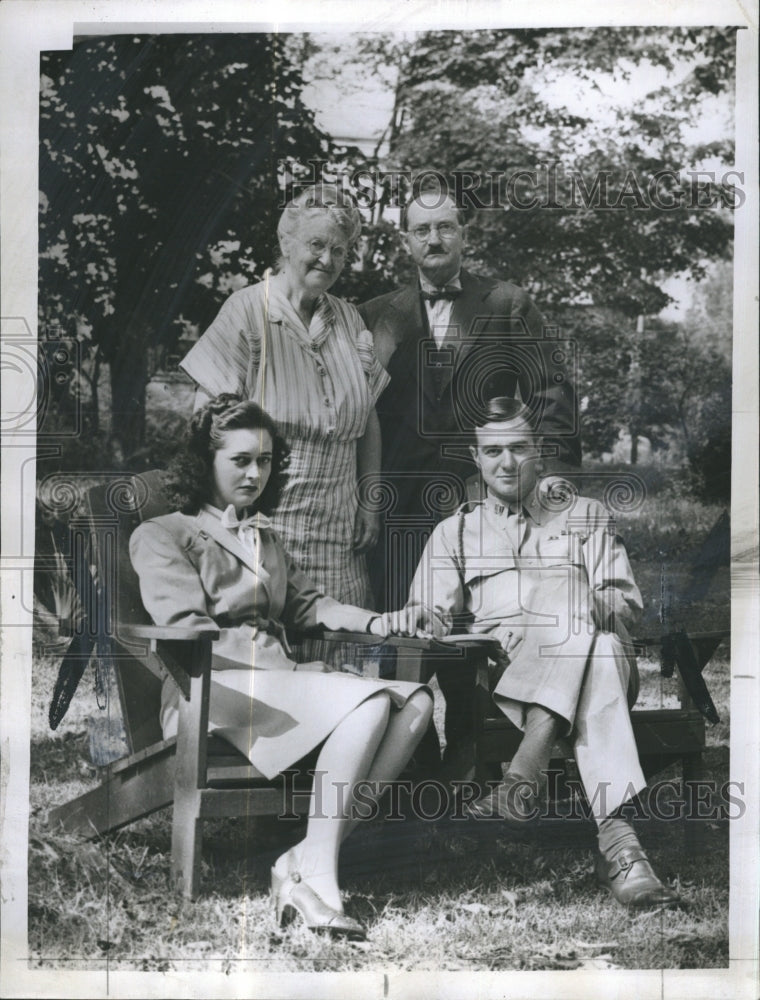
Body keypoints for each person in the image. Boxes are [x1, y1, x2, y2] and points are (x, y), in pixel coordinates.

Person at [129, 396, 433, 938]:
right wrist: (294, 674)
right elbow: (185, 630)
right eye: (240, 460)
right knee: (366, 703)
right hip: (208, 692)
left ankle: (305, 858)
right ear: (205, 461)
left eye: (265, 461)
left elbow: (310, 606)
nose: (255, 473)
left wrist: (379, 622)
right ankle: (319, 878)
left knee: (417, 702)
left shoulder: (263, 535)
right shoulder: (163, 533)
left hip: (276, 690)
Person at [380, 397, 679, 908]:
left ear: (539, 449)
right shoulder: (454, 532)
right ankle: (620, 846)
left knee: (583, 616)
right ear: (476, 457)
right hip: (509, 684)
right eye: (493, 450)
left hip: (600, 663)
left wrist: (568, 609)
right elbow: (429, 614)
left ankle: (523, 776)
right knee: (597, 648)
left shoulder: (585, 515)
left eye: (519, 447)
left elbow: (622, 603)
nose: (506, 462)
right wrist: (430, 620)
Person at [359, 185, 581, 766]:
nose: (434, 239)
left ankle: (473, 759)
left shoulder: (506, 304)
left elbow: (552, 390)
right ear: (405, 240)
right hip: (396, 506)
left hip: (481, 502)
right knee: (403, 634)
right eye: (421, 229)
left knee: (475, 633)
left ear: (464, 234)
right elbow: (353, 413)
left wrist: (552, 481)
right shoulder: (373, 315)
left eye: (445, 227)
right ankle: (409, 771)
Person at [179, 185, 387, 662]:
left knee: (347, 662)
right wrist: (224, 517)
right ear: (286, 242)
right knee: (272, 666)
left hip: (339, 533)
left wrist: (370, 502)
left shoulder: (350, 320)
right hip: (266, 526)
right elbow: (207, 426)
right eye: (317, 244)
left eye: (340, 250)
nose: (328, 259)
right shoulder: (246, 311)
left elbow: (369, 417)